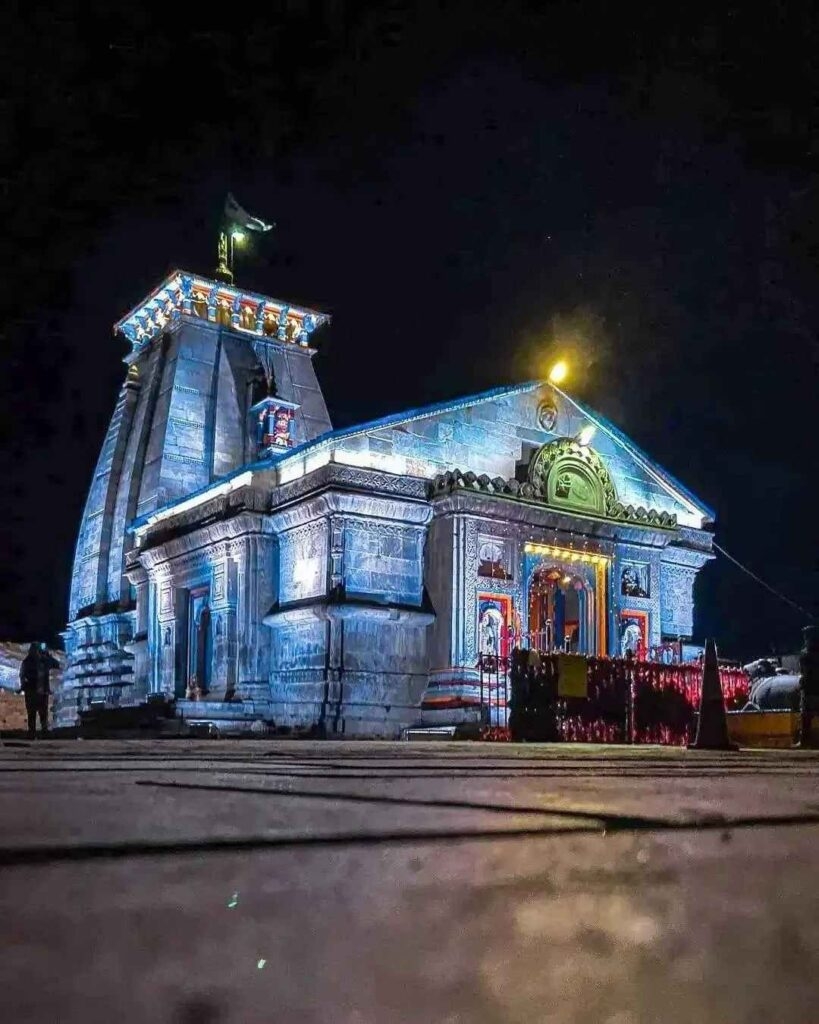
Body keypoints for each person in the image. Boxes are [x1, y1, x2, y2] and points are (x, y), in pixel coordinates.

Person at [18, 643, 56, 738]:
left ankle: (42, 732)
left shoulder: (43, 661)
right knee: (32, 714)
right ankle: (33, 733)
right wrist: (23, 686)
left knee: (42, 714)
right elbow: (22, 675)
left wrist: (47, 655)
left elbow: (55, 664)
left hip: (41, 691)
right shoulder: (28, 662)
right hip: (32, 691)